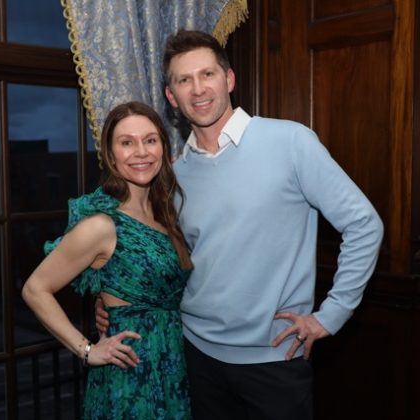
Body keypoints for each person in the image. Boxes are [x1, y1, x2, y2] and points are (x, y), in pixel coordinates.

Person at [96, 29, 384, 419]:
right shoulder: (174, 174)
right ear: (171, 97)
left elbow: (364, 224)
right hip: (195, 355)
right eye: (184, 80)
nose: (198, 89)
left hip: (274, 359)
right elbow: (166, 259)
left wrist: (332, 315)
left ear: (229, 79)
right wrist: (113, 300)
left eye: (207, 74)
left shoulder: (291, 142)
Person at [22, 101, 193, 419]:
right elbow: (35, 289)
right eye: (127, 143)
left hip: (172, 365)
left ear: (163, 148)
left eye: (150, 140)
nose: (141, 152)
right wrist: (87, 350)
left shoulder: (165, 213)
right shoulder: (102, 224)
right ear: (111, 156)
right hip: (131, 374)